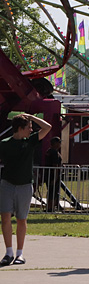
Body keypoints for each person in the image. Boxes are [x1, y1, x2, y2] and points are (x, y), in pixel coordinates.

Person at [0, 114, 52, 266]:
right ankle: (8, 253)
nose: (31, 130)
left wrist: (31, 117)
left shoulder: (30, 141)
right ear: (20, 128)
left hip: (24, 185)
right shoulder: (4, 143)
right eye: (28, 127)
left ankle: (19, 254)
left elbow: (47, 127)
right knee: (5, 217)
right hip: (7, 184)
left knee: (22, 219)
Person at [44, 136, 62, 213]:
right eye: (59, 142)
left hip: (48, 174)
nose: (60, 144)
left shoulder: (49, 151)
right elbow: (55, 166)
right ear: (56, 143)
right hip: (53, 175)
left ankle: (50, 206)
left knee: (51, 191)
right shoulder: (54, 153)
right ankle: (50, 207)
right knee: (53, 192)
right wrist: (55, 177)